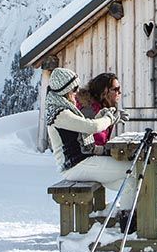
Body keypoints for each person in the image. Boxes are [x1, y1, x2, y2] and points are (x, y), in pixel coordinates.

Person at [44, 68, 135, 221]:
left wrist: (104, 117)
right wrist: (110, 119)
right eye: (74, 88)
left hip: (83, 161)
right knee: (133, 168)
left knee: (130, 182)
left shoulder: (66, 109)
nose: (77, 91)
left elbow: (85, 128)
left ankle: (129, 218)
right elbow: (91, 127)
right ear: (66, 90)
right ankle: (129, 220)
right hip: (75, 166)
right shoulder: (60, 113)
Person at [77, 72, 122, 146]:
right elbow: (93, 142)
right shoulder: (89, 110)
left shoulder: (102, 107)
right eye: (115, 89)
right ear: (103, 92)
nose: (119, 92)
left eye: (119, 89)